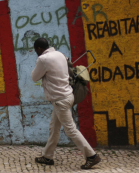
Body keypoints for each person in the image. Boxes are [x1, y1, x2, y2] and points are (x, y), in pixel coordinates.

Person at [31, 38, 101, 169]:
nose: (36, 52)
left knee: (70, 130)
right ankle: (47, 156)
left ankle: (91, 156)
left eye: (36, 50)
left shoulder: (43, 59)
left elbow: (34, 77)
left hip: (59, 100)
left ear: (39, 49)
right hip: (68, 95)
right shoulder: (60, 54)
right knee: (54, 128)